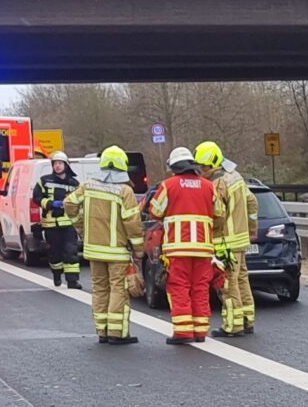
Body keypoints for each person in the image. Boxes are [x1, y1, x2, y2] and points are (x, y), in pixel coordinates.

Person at [68, 146, 144, 344]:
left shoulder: (88, 186)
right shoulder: (125, 191)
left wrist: (82, 227)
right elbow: (132, 223)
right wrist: (138, 248)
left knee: (100, 289)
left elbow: (69, 203)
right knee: (118, 289)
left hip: (93, 249)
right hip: (117, 251)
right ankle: (117, 333)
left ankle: (102, 331)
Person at [148, 147, 223, 344]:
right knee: (200, 287)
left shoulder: (168, 185)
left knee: (179, 286)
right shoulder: (209, 186)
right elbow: (219, 212)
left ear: (174, 167)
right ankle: (200, 331)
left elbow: (155, 211)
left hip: (178, 247)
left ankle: (183, 332)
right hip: (203, 247)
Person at [204, 141, 259, 335]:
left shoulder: (218, 183)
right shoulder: (236, 177)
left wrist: (208, 233)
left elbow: (217, 214)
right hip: (241, 241)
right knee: (242, 279)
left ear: (212, 164)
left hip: (225, 243)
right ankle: (247, 319)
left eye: (203, 167)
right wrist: (252, 229)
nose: (202, 171)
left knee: (228, 284)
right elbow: (252, 203)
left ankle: (233, 326)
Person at [33, 152, 83, 289]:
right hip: (50, 224)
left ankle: (72, 281)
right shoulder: (44, 181)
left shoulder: (74, 183)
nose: (58, 166)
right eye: (55, 164)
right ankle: (56, 274)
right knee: (54, 253)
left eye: (60, 163)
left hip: (68, 224)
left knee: (70, 251)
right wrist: (50, 204)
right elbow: (36, 198)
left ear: (66, 165)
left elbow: (79, 201)